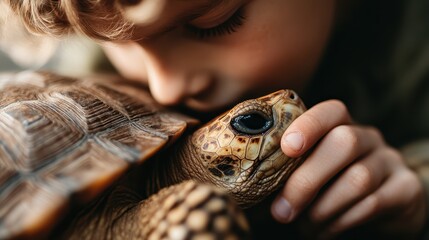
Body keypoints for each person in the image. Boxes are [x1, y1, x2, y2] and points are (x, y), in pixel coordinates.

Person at [3, 0, 429, 239]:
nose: (165, 88)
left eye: (213, 22)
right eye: (121, 43)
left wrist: (415, 192)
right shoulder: (89, 65)